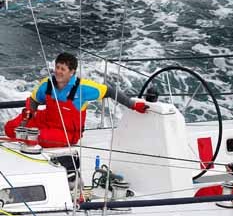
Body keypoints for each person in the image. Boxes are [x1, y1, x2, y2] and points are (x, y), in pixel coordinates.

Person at [4, 52, 147, 148]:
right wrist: (26, 119)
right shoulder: (47, 84)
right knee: (10, 128)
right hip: (45, 120)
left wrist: (133, 105)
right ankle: (27, 135)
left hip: (66, 132)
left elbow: (110, 91)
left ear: (72, 72)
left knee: (36, 137)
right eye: (57, 67)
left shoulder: (83, 88)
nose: (58, 71)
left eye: (63, 69)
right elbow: (34, 101)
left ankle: (29, 137)